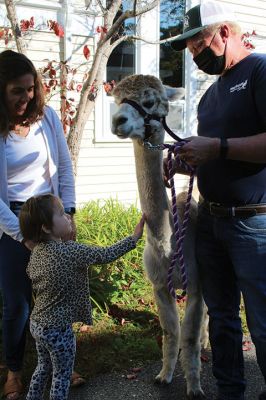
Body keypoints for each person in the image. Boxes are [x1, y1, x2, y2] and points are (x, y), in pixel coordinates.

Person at [168, 1, 266, 399]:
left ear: (224, 33)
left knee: (262, 323)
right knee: (222, 319)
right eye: (190, 51)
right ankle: (230, 391)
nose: (195, 56)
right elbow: (214, 156)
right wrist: (187, 163)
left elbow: (223, 149)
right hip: (210, 222)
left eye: (198, 45)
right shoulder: (210, 96)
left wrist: (218, 148)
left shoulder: (260, 72)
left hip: (254, 224)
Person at [0, 49, 80, 400]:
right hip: (11, 219)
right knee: (18, 302)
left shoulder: (45, 117)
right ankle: (14, 372)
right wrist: (22, 235)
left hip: (50, 215)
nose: (27, 97)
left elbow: (63, 164)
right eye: (18, 90)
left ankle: (62, 362)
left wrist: (69, 213)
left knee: (57, 296)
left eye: (30, 88)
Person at [18, 193, 145, 400]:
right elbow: (105, 255)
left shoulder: (36, 252)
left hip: (38, 325)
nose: (68, 217)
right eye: (61, 214)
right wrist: (134, 238)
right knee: (61, 376)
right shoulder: (70, 251)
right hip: (59, 330)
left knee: (43, 367)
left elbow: (30, 273)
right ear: (46, 227)